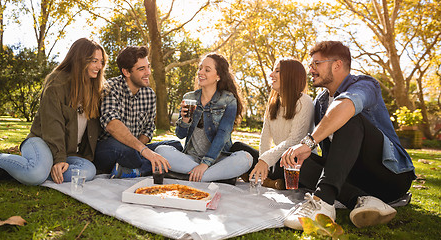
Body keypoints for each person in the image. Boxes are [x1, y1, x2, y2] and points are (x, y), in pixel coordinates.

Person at [281, 41, 416, 230]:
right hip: (353, 180)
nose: (311, 69)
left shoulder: (365, 85)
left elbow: (345, 105)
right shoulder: (320, 102)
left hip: (390, 177)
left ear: (337, 65)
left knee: (350, 117)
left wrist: (310, 142)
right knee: (293, 160)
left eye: (316, 64)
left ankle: (323, 203)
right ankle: (362, 200)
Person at [0, 38, 106, 185]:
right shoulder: (57, 83)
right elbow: (53, 126)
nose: (99, 66)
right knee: (36, 174)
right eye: (94, 61)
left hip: (69, 153)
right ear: (79, 60)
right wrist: (59, 159)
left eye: (101, 62)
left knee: (87, 171)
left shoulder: (96, 91)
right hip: (42, 141)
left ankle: (12, 172)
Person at [155, 53, 253, 183]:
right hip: (191, 159)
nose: (201, 72)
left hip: (218, 159)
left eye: (207, 70)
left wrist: (205, 163)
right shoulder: (189, 98)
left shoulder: (228, 100)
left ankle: (189, 176)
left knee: (246, 158)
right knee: (161, 150)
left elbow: (223, 135)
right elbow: (180, 134)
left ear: (218, 76)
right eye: (200, 68)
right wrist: (184, 121)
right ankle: (215, 177)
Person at [94, 46, 182, 178]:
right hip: (110, 148)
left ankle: (132, 171)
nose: (148, 72)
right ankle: (153, 168)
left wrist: (141, 148)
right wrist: (144, 151)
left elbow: (148, 128)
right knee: (121, 148)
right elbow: (112, 125)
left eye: (148, 66)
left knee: (175, 146)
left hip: (135, 148)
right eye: (141, 69)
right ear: (126, 72)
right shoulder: (111, 87)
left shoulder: (149, 94)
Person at [248, 59, 314, 188]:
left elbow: (294, 141)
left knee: (286, 162)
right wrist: (263, 163)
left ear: (291, 76)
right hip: (277, 158)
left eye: (277, 71)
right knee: (238, 148)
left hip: (297, 160)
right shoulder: (273, 103)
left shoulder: (304, 102)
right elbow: (265, 138)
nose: (271, 75)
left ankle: (271, 179)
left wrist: (266, 160)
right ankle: (270, 180)